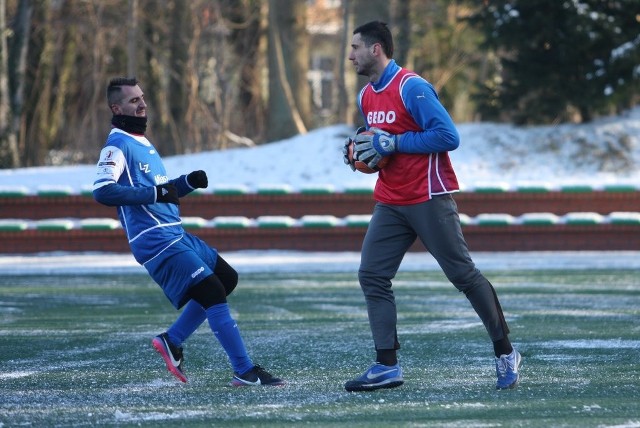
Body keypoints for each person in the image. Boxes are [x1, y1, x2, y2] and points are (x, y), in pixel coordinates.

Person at [342, 21, 521, 392]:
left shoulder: (412, 87)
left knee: (463, 276)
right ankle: (386, 365)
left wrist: (394, 144)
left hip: (429, 198)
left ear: (376, 49)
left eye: (356, 47)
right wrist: (360, 154)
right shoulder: (366, 97)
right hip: (391, 201)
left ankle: (505, 351)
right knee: (372, 275)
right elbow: (377, 145)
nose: (351, 54)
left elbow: (447, 136)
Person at [93, 77, 283, 387]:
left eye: (142, 97)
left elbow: (160, 191)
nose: (142, 104)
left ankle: (173, 339)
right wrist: (156, 194)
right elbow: (103, 192)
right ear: (116, 108)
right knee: (212, 292)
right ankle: (244, 371)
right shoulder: (117, 144)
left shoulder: (141, 142)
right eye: (133, 101)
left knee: (226, 279)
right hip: (155, 240)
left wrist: (186, 183)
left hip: (175, 233)